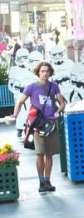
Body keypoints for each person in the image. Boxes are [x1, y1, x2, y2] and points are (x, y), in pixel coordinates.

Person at [12, 62, 65, 193]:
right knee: (39, 154)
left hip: (51, 125)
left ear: (50, 73)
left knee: (50, 155)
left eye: (47, 71)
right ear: (38, 72)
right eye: (42, 71)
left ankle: (48, 181)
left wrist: (57, 113)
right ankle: (41, 181)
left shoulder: (54, 87)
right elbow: (20, 101)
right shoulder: (31, 87)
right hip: (37, 126)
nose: (45, 73)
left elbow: (62, 103)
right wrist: (15, 115)